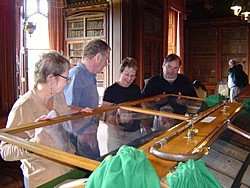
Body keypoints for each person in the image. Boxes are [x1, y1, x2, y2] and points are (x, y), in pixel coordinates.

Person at [0, 51, 92, 188]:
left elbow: (64, 110)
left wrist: (78, 110)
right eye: (66, 78)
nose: (68, 82)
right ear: (51, 79)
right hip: (43, 178)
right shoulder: (23, 107)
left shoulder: (59, 95)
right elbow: (5, 151)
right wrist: (33, 143)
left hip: (69, 166)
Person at [64, 39, 111, 159]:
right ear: (98, 57)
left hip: (90, 135)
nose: (107, 63)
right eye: (106, 59)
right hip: (80, 139)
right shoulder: (76, 75)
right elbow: (66, 109)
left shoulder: (90, 75)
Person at [102, 57, 142, 152]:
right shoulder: (110, 91)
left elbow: (140, 110)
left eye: (133, 75)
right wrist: (117, 130)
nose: (129, 78)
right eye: (126, 74)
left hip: (134, 133)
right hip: (117, 135)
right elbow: (105, 115)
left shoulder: (136, 89)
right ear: (121, 72)